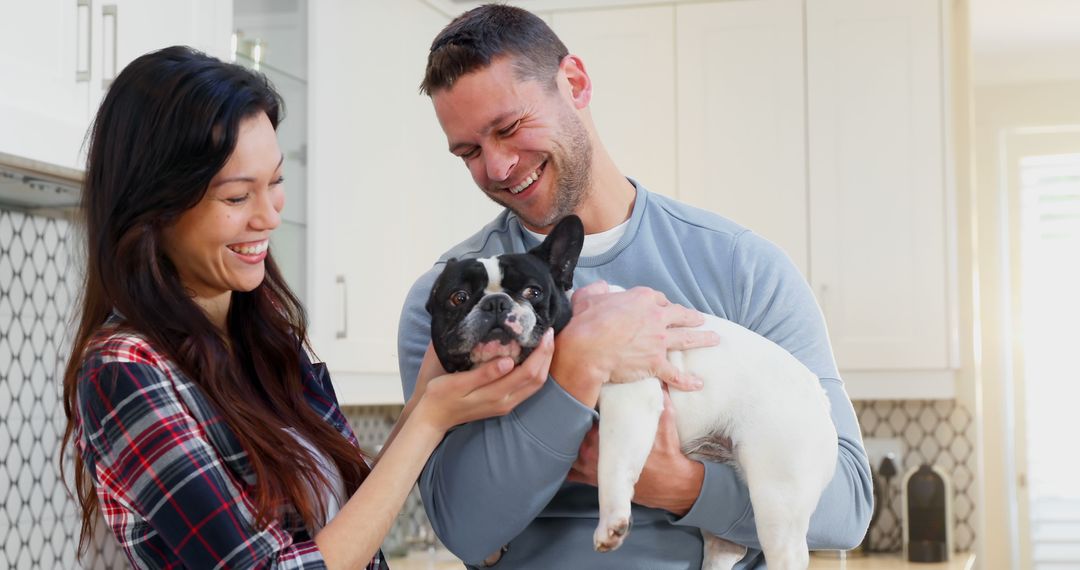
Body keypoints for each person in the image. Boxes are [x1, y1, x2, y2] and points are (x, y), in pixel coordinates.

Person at [397, 5, 875, 569]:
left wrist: (682, 486)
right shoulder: (450, 302)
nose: (498, 167)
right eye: (469, 152)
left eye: (509, 128)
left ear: (573, 83)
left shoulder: (743, 268)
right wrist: (576, 367)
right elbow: (465, 530)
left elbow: (847, 505)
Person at [60, 45, 557, 570]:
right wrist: (431, 419)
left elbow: (347, 524)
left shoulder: (265, 334)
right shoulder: (125, 371)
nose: (268, 217)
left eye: (275, 183)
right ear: (153, 208)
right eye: (236, 197)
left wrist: (428, 402)